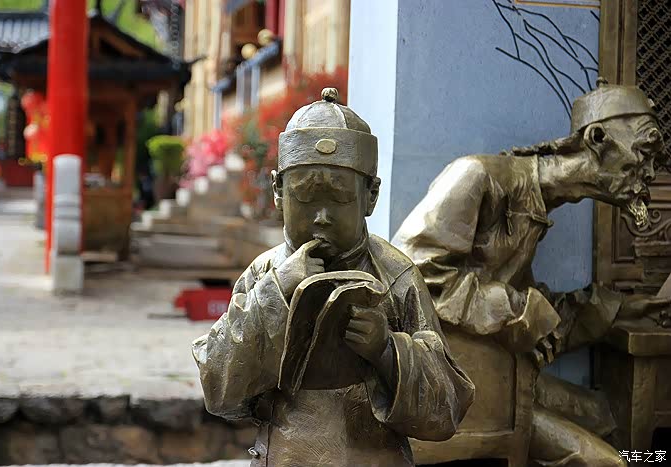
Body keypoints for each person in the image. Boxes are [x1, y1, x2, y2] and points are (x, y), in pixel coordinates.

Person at [392, 79, 670, 466]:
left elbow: (538, 320)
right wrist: (520, 310)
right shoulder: (477, 176)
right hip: (461, 386)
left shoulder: (535, 206)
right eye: (645, 151)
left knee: (605, 417)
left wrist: (618, 311)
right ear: (598, 138)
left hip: (507, 375)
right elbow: (412, 274)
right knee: (608, 462)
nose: (652, 172)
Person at [192, 88, 474, 467]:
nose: (321, 217)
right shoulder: (263, 274)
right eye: (305, 198)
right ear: (278, 191)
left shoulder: (397, 275)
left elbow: (447, 407)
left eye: (339, 199)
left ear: (370, 196)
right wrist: (276, 293)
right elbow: (220, 389)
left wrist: (388, 351)